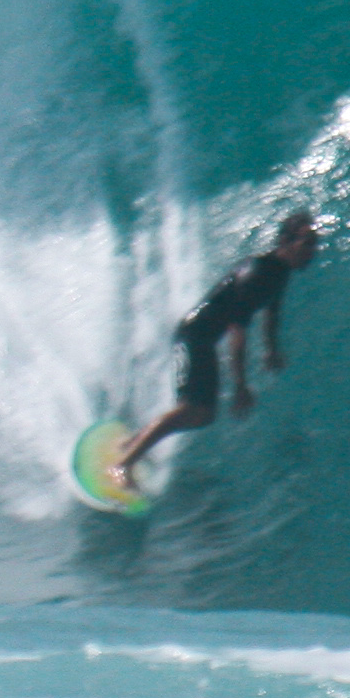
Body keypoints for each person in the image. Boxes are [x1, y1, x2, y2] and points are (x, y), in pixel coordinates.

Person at [115, 211, 323, 492]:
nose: (313, 250)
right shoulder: (260, 273)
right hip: (194, 334)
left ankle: (133, 444)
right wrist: (240, 385)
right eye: (308, 242)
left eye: (315, 242)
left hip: (205, 338)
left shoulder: (279, 273)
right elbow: (237, 330)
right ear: (287, 241)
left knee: (203, 415)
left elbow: (272, 312)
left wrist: (271, 350)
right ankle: (123, 463)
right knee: (190, 409)